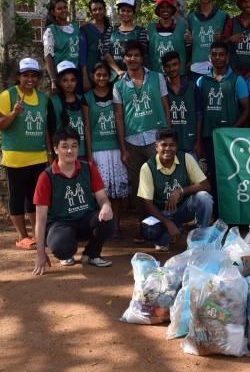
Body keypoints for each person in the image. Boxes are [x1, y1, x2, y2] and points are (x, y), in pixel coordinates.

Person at [32, 127, 115, 274]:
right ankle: (66, 253)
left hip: (85, 220)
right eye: (64, 146)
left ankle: (91, 254)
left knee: (108, 219)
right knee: (62, 246)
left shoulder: (88, 168)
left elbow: (102, 198)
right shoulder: (46, 177)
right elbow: (41, 218)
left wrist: (106, 206)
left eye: (74, 146)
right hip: (60, 225)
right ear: (56, 149)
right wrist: (40, 253)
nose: (70, 151)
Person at [113, 39, 172, 236]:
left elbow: (166, 107)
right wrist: (123, 149)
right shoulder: (119, 85)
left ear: (142, 58)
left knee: (160, 183)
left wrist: (169, 137)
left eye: (136, 55)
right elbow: (119, 117)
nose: (132, 59)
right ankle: (144, 227)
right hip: (132, 143)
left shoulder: (157, 78)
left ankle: (164, 226)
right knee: (139, 188)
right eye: (129, 55)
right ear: (124, 59)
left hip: (156, 140)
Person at [0, 58, 52, 250]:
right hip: (15, 158)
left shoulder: (43, 98)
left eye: (33, 75)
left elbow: (46, 129)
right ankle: (22, 236)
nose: (29, 79)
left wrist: (50, 152)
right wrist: (13, 113)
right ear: (19, 76)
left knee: (35, 198)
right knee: (17, 197)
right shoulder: (7, 95)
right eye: (25, 75)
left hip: (38, 156)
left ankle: (37, 234)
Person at [137, 129, 213, 251]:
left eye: (172, 145)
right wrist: (167, 222)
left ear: (176, 147)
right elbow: (147, 203)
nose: (168, 149)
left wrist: (180, 191)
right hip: (162, 213)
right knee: (151, 232)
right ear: (156, 147)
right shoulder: (147, 167)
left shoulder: (186, 158)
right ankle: (169, 234)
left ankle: (200, 240)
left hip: (182, 210)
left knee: (204, 197)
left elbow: (205, 185)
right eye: (164, 145)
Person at [196, 41, 250, 209]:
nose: (217, 58)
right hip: (209, 136)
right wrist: (198, 140)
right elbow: (198, 114)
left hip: (230, 139)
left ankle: (234, 211)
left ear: (227, 57)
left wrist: (231, 131)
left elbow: (247, 109)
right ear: (209, 57)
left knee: (233, 174)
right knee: (213, 174)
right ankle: (217, 213)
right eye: (214, 54)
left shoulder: (237, 80)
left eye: (221, 54)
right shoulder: (201, 81)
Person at [83, 62, 129, 239]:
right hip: (98, 150)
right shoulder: (87, 97)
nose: (102, 78)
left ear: (110, 76)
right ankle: (102, 227)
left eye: (105, 75)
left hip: (116, 148)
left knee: (117, 191)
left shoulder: (116, 92)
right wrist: (89, 154)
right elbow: (87, 127)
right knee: (101, 192)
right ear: (93, 76)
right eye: (98, 75)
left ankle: (115, 226)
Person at [162, 51, 203, 157]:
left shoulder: (193, 87)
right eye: (168, 66)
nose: (171, 69)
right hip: (169, 148)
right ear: (163, 68)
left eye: (174, 64)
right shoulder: (161, 89)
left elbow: (199, 116)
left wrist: (198, 142)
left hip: (191, 144)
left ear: (180, 65)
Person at [101, 0, 148, 80]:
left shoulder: (141, 31)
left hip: (136, 76)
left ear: (133, 13)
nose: (125, 13)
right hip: (115, 75)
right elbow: (105, 52)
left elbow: (142, 53)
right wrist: (118, 71)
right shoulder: (111, 30)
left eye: (129, 11)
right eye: (122, 10)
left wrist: (130, 74)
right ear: (118, 11)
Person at [48, 61, 88, 158]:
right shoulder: (53, 102)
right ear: (59, 82)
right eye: (65, 80)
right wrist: (51, 154)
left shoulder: (81, 99)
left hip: (82, 153)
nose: (69, 84)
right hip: (63, 156)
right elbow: (49, 131)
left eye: (72, 80)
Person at [186, 0, 228, 66]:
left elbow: (228, 42)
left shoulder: (223, 16)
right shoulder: (191, 18)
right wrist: (188, 42)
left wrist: (221, 39)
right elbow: (188, 44)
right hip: (197, 64)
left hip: (218, 64)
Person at [43, 0, 79, 93]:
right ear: (53, 12)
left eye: (65, 7)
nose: (63, 10)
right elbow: (48, 56)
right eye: (59, 8)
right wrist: (53, 80)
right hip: (61, 75)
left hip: (76, 74)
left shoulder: (75, 27)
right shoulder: (50, 30)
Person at [147, 0, 188, 74]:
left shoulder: (181, 28)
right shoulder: (150, 29)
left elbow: (188, 51)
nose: (165, 9)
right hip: (157, 74)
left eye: (168, 7)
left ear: (172, 9)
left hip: (179, 76)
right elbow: (147, 53)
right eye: (162, 7)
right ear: (158, 10)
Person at [79, 0, 109, 92]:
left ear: (104, 9)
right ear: (91, 12)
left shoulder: (110, 29)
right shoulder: (85, 30)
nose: (97, 12)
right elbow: (82, 56)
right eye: (94, 10)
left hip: (107, 75)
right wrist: (85, 78)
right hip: (91, 75)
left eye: (100, 9)